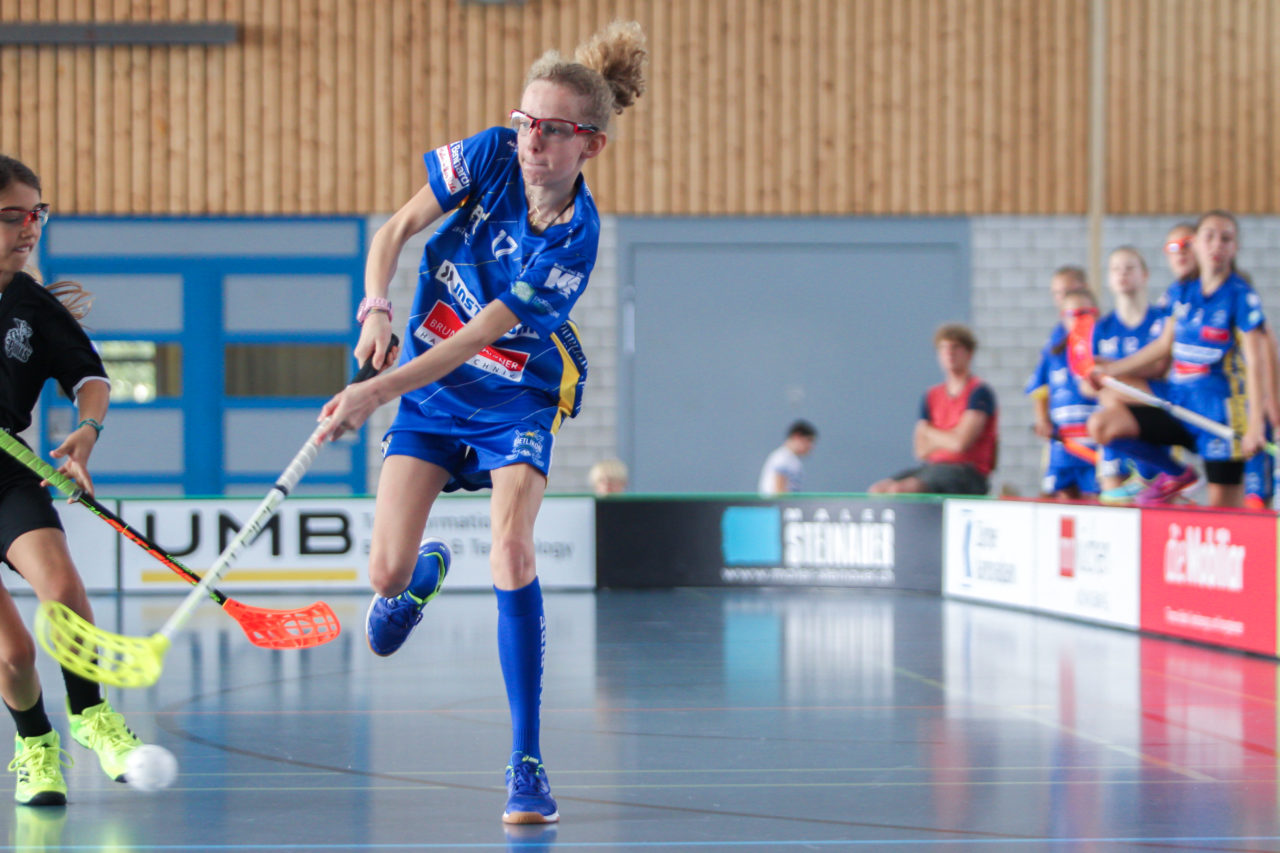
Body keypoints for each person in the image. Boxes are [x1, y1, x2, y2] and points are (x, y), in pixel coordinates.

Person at [313, 22, 647, 824]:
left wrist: (373, 391)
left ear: (589, 146)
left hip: (517, 388)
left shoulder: (576, 238)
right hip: (432, 387)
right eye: (526, 122)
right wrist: (376, 306)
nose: (532, 141)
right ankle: (418, 574)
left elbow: (476, 337)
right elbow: (391, 232)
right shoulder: (490, 154)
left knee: (512, 546)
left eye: (554, 130)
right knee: (384, 579)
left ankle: (525, 761)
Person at [0, 155, 144, 806]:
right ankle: (34, 745)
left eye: (38, 212)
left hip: (8, 475)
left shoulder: (31, 305)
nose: (30, 227)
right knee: (12, 655)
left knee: (60, 586)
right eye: (13, 215)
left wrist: (86, 435)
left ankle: (91, 716)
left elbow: (91, 379)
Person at [1087, 210, 1272, 508]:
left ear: (1234, 248)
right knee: (1102, 419)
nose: (1217, 245)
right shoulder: (1180, 292)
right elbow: (1162, 346)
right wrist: (1110, 370)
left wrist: (1255, 426)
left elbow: (1257, 360)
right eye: (1209, 237)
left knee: (1223, 514)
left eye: (1226, 239)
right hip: (1176, 400)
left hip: (1217, 413)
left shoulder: (1240, 295)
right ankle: (1175, 474)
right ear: (1196, 243)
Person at [1089, 246, 1174, 504]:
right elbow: (1089, 382)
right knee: (1114, 505)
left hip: (1152, 425)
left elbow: (1162, 370)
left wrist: (1113, 371)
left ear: (1144, 275)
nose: (1122, 274)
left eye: (1129, 268)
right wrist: (1135, 371)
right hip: (1116, 430)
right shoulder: (1101, 328)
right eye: (1116, 269)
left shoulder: (1161, 321)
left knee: (1157, 508)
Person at [869, 324, 997, 495]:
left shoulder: (979, 392)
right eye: (944, 348)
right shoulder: (931, 395)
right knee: (878, 490)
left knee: (903, 490)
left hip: (966, 473)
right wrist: (949, 436)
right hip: (934, 468)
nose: (949, 353)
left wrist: (931, 433)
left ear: (969, 353)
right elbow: (920, 450)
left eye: (956, 347)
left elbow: (960, 443)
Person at [1026, 289, 1101, 500]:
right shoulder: (1053, 354)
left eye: (1084, 313)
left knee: (1096, 500)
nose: (1077, 319)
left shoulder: (1102, 351)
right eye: (1071, 314)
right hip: (1063, 446)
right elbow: (1039, 389)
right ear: (1062, 317)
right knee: (1061, 502)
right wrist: (1042, 419)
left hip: (1093, 447)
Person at [757, 420, 817, 496]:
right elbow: (779, 491)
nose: (811, 446)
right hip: (776, 506)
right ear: (797, 436)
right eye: (809, 440)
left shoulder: (791, 459)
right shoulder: (783, 458)